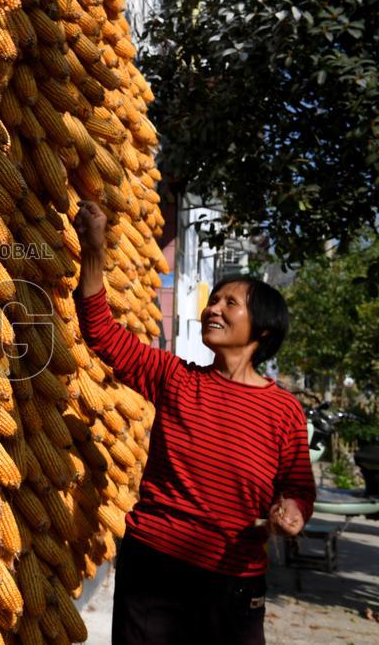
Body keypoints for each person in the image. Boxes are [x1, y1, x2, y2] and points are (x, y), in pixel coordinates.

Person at [72, 201, 315, 645]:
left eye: (230, 303)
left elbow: (298, 486)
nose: (214, 309)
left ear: (263, 329)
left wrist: (293, 513)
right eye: (213, 300)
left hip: (234, 579)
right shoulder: (175, 377)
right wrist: (92, 250)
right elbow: (101, 332)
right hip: (155, 568)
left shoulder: (284, 410)